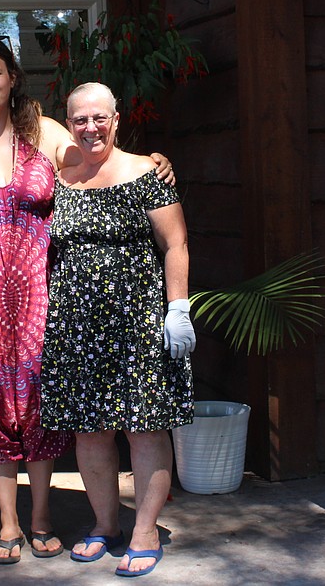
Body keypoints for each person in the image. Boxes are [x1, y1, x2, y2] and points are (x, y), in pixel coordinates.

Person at [0, 36, 174, 565]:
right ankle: (8, 522)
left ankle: (41, 518)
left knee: (39, 402)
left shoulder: (45, 133)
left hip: (45, 293)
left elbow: (95, 158)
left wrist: (152, 163)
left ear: (13, 77)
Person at [41, 81, 196, 578]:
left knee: (145, 427)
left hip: (139, 323)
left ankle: (145, 530)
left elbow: (176, 244)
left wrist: (178, 309)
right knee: (90, 432)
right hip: (76, 325)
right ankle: (105, 523)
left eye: (99, 118)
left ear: (116, 119)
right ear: (68, 123)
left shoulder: (147, 171)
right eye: (79, 119)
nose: (90, 128)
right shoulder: (60, 175)